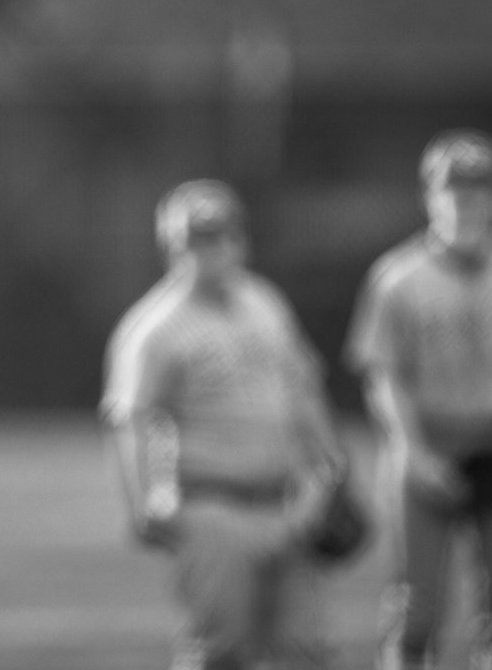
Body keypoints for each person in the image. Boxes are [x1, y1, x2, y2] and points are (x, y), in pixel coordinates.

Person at [344, 130, 492, 670]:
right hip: (429, 441)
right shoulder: (398, 277)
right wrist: (414, 452)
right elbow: (383, 376)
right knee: (416, 607)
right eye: (454, 190)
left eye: (480, 189)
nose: (467, 202)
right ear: (430, 195)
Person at [100, 178, 349, 670]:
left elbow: (302, 388)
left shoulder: (265, 302)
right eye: (197, 242)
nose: (212, 252)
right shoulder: (154, 326)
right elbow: (131, 419)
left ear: (241, 240)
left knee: (307, 650)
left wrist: (331, 466)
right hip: (212, 508)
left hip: (288, 502)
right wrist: (143, 505)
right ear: (172, 248)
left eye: (222, 238)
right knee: (221, 651)